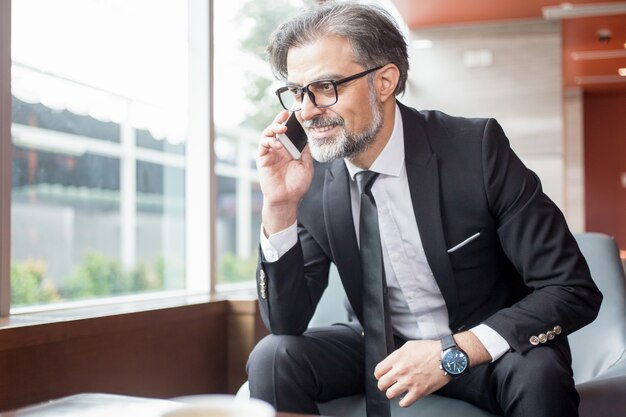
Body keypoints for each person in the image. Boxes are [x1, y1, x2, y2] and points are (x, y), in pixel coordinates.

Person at [246, 2, 603, 417]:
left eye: (326, 87)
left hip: (483, 347)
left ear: (384, 81)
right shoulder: (310, 182)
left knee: (539, 373)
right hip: (378, 346)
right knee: (274, 356)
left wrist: (454, 352)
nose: (306, 111)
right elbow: (286, 322)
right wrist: (280, 205)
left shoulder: (476, 150)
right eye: (297, 92)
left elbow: (571, 289)